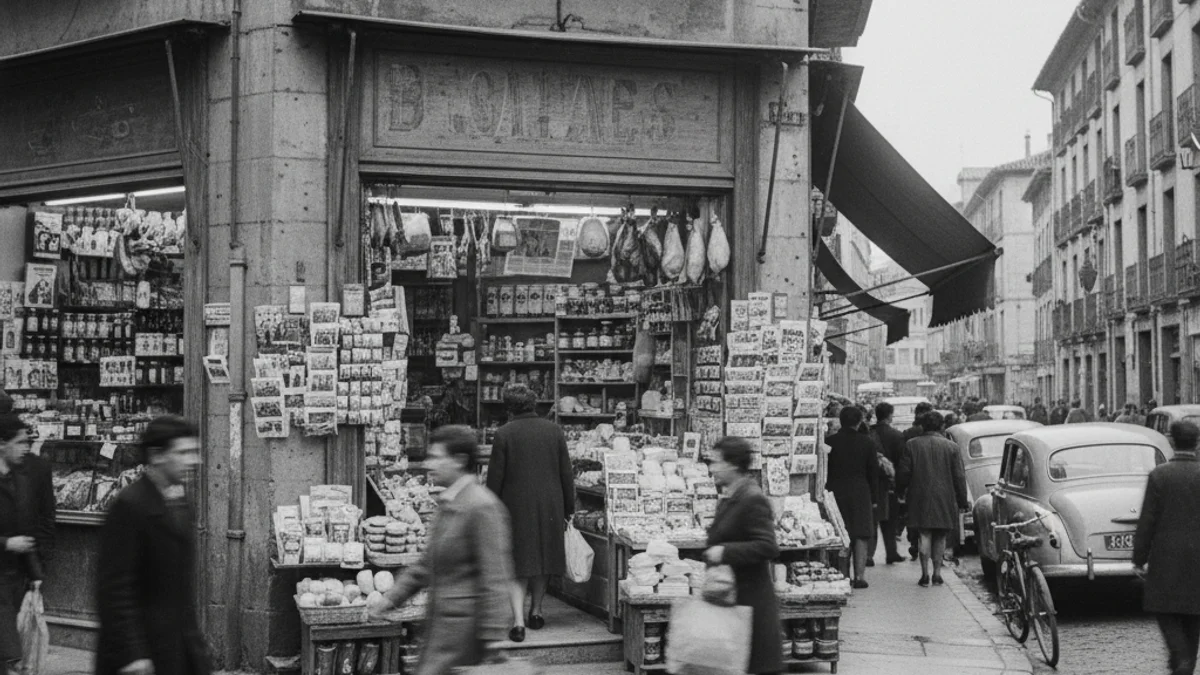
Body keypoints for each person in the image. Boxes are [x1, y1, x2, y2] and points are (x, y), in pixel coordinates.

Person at [371, 425, 514, 674]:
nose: (429, 464)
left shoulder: (481, 506)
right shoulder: (448, 502)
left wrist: (495, 639)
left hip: (466, 638)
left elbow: (495, 577)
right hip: (444, 631)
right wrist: (391, 598)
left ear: (459, 460)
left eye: (437, 457)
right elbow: (426, 565)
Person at [96, 416, 207, 675]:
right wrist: (133, 655)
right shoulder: (130, 505)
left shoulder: (180, 502)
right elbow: (114, 589)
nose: (195, 461)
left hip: (176, 646)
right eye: (183, 453)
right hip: (141, 655)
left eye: (194, 452)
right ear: (157, 456)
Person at [485, 384, 574, 641]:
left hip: (515, 505)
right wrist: (569, 507)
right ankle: (536, 611)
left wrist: (489, 508)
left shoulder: (504, 434)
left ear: (509, 407)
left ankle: (518, 622)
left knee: (518, 563)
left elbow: (495, 478)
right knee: (543, 558)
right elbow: (566, 473)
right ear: (534, 404)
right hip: (550, 504)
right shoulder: (554, 430)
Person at [704, 437, 781, 675]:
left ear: (733, 465)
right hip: (731, 599)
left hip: (750, 605)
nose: (712, 468)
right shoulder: (732, 496)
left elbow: (767, 546)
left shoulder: (752, 498)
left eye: (717, 462)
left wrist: (725, 552)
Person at [1135, 420, 1200, 675]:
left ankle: (1180, 660)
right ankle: (1186, 663)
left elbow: (1147, 520)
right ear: (1197, 444)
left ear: (1172, 442)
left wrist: (1138, 557)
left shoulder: (1159, 475)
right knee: (1194, 615)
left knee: (1167, 613)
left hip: (1166, 558)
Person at [0, 415, 54, 675]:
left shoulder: (21, 478)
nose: (26, 448)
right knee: (10, 653)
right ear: (2, 444)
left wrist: (36, 575)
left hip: (16, 578)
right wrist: (7, 543)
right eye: (20, 442)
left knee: (12, 653)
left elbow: (30, 527)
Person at [896, 411, 969, 587]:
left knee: (924, 534)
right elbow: (959, 477)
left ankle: (924, 574)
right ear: (942, 426)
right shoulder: (952, 447)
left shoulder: (912, 445)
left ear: (922, 426)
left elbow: (904, 472)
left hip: (919, 495)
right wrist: (962, 501)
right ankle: (937, 574)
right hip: (945, 496)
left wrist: (900, 491)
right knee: (940, 536)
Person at [825, 407, 879, 587]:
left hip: (835, 492)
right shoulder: (867, 443)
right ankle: (860, 577)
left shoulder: (829, 442)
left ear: (841, 421)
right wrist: (875, 498)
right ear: (859, 421)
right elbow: (873, 473)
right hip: (861, 492)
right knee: (861, 534)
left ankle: (842, 575)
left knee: (841, 533)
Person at [870, 402, 907, 564]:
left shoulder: (870, 433)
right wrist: (901, 485)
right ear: (890, 415)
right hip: (890, 482)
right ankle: (891, 552)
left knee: (872, 520)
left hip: (871, 481)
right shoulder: (897, 435)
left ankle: (869, 555)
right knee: (890, 520)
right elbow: (901, 462)